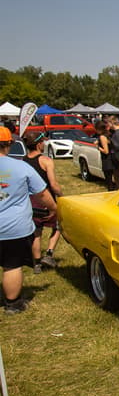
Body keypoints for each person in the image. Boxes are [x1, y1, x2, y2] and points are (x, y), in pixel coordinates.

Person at [0, 126, 57, 314]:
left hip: (12, 227)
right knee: (12, 266)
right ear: (9, 144)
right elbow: (42, 194)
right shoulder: (21, 167)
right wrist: (54, 209)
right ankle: (13, 303)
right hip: (13, 228)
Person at [22, 130, 63, 273]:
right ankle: (50, 253)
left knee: (36, 233)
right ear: (39, 144)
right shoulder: (46, 161)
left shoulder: (23, 161)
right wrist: (61, 195)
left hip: (31, 202)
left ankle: (37, 263)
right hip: (47, 200)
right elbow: (53, 184)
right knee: (59, 226)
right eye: (43, 142)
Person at [94, 119, 115, 191]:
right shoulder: (108, 134)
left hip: (107, 160)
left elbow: (106, 151)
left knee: (109, 181)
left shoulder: (102, 137)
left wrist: (98, 147)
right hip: (111, 160)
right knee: (111, 180)